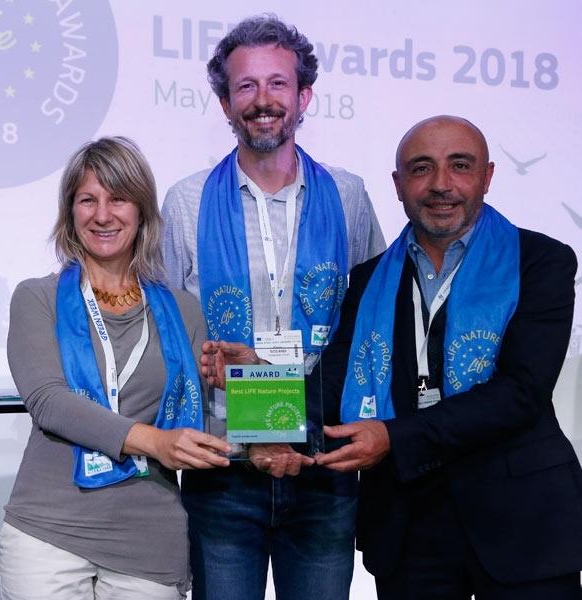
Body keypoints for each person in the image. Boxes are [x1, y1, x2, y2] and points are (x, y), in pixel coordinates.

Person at [161, 14, 385, 599]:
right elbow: (169, 331)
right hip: (224, 465)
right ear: (225, 103)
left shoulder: (349, 195)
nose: (263, 100)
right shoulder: (185, 202)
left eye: (278, 83)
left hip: (322, 465)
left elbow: (371, 321)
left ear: (304, 95)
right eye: (246, 86)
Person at [312, 115, 582, 598]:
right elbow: (334, 382)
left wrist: (393, 437)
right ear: (398, 184)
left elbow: (521, 392)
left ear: (487, 176)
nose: (441, 184)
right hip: (408, 527)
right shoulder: (369, 278)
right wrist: (259, 390)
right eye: (421, 168)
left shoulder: (541, 262)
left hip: (523, 522)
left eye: (460, 165)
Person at [0, 137, 231, 599]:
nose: (102, 215)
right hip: (48, 535)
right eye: (88, 200)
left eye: (118, 198)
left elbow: (207, 429)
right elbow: (49, 403)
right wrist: (155, 442)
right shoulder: (37, 298)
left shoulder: (184, 311)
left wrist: (246, 384)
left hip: (149, 541)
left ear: (142, 210)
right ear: (70, 212)